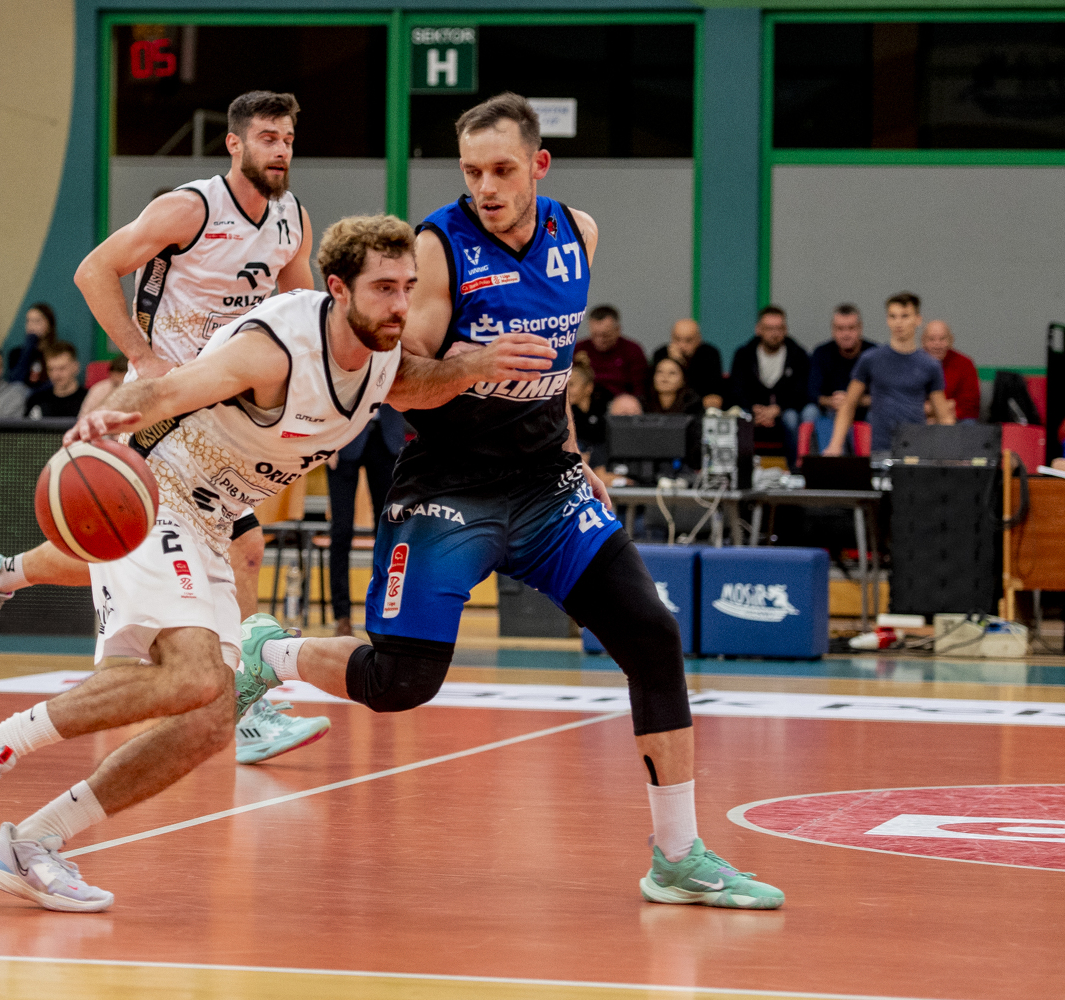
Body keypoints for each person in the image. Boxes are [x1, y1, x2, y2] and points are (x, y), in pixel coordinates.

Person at [234, 94, 782, 910]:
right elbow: (399, 385)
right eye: (472, 172)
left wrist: (573, 451)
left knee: (653, 637)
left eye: (501, 170)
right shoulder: (437, 248)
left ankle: (676, 856)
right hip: (450, 488)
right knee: (401, 681)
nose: (485, 187)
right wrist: (475, 364)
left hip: (547, 485)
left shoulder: (578, 234)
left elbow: (554, 366)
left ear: (538, 166)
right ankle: (270, 653)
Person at [0, 215, 431, 910]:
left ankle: (32, 842)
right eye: (385, 287)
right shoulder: (275, 337)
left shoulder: (381, 353)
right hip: (157, 491)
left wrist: (501, 373)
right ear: (340, 289)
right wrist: (109, 416)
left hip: (212, 518)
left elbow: (434, 381)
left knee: (210, 719)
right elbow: (167, 385)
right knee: (193, 675)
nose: (401, 302)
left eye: (409, 287)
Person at [0, 90, 322, 764]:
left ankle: (1, 573)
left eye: (288, 139)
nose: (280, 150)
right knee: (228, 546)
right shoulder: (190, 208)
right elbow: (92, 270)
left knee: (139, 549)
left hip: (219, 412)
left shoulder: (292, 217)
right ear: (234, 144)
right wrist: (142, 356)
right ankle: (246, 710)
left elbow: (302, 308)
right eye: (267, 137)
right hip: (159, 410)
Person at [825, 292, 951, 456]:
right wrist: (835, 445)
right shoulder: (871, 359)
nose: (898, 322)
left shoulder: (930, 365)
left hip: (915, 449)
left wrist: (952, 453)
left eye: (905, 316)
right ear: (887, 320)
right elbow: (848, 404)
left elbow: (943, 415)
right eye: (893, 316)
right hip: (880, 448)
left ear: (918, 319)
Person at [327, 404, 407, 637]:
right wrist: (325, 443)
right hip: (343, 437)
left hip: (388, 437)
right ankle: (342, 616)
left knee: (387, 533)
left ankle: (382, 610)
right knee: (341, 531)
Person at [727, 305, 808, 462]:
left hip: (784, 410)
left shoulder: (798, 355)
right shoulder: (744, 354)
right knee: (739, 417)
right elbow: (736, 389)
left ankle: (796, 468)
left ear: (785, 330)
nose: (774, 333)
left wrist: (778, 409)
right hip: (752, 409)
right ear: (758, 329)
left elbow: (801, 392)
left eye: (779, 328)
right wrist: (754, 410)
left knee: (792, 419)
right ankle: (739, 469)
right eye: (769, 328)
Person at [803, 303, 876, 428]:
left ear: (860, 328)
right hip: (831, 409)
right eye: (840, 329)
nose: (846, 334)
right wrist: (831, 401)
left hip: (864, 411)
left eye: (851, 328)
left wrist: (852, 400)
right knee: (810, 412)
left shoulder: (874, 354)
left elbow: (885, 395)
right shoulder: (822, 353)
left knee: (878, 413)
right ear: (833, 329)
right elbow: (811, 393)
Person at [574, 304, 648, 402]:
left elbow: (640, 390)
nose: (599, 340)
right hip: (585, 403)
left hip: (620, 403)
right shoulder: (579, 349)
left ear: (617, 330)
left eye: (605, 335)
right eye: (595, 335)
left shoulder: (632, 350)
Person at [652, 319, 723, 409]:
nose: (682, 346)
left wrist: (681, 363)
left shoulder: (709, 354)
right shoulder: (661, 354)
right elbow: (654, 390)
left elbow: (712, 392)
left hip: (697, 408)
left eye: (688, 340)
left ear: (699, 339)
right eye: (677, 339)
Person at [922, 319, 981, 423]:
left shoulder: (965, 363)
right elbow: (906, 402)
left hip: (958, 419)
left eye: (942, 339)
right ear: (923, 341)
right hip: (922, 419)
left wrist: (934, 413)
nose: (937, 344)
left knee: (968, 423)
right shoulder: (913, 363)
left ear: (951, 340)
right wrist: (946, 406)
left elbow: (970, 405)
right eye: (931, 339)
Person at [568, 357, 612, 467]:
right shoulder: (563, 414)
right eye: (564, 385)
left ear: (589, 387)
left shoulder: (602, 410)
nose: (566, 390)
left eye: (571, 385)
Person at [25, 342, 88, 419]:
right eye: (51, 369)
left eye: (62, 368)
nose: (56, 374)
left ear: (76, 367)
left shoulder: (89, 400)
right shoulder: (36, 400)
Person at [7, 303, 58, 388]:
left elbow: (55, 383)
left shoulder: (56, 354)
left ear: (49, 325)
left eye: (37, 321)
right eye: (28, 321)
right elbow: (15, 382)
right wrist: (30, 344)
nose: (31, 325)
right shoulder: (16, 353)